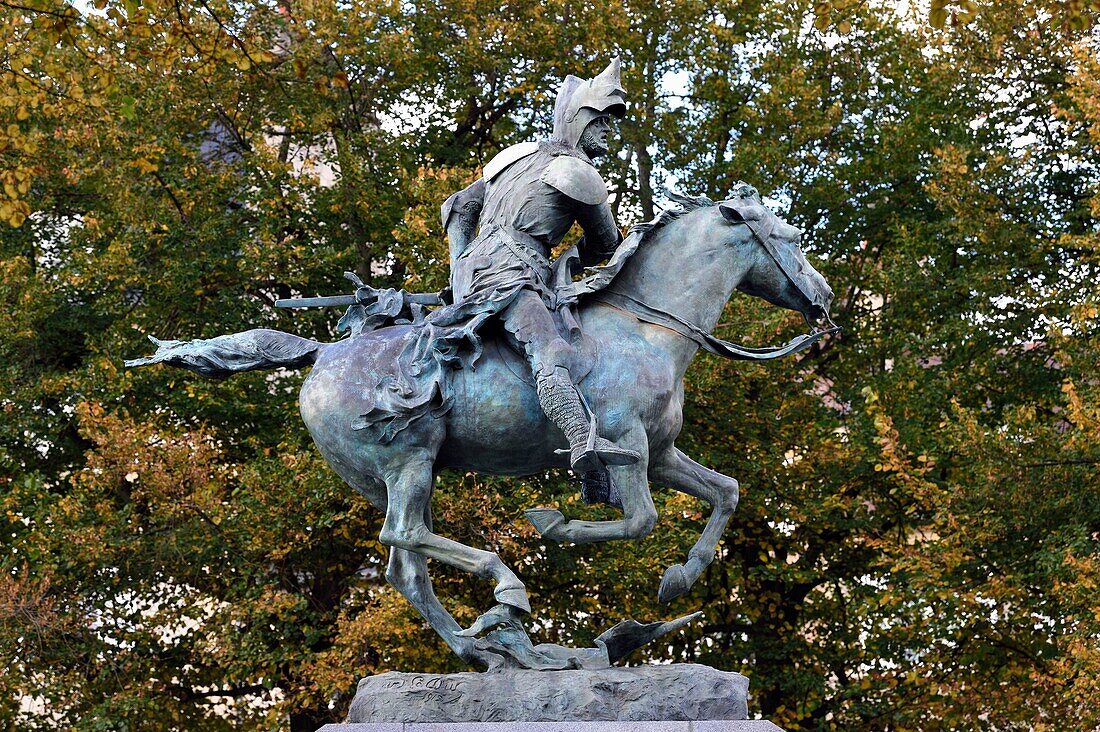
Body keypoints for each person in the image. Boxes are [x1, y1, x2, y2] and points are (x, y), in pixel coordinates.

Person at [435, 58, 638, 475]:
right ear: (580, 121)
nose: (607, 133)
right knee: (550, 349)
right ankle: (582, 440)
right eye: (600, 122)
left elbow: (458, 207)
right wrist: (570, 259)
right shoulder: (578, 173)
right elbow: (607, 243)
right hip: (511, 276)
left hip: (478, 272)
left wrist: (459, 266)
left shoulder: (514, 155)